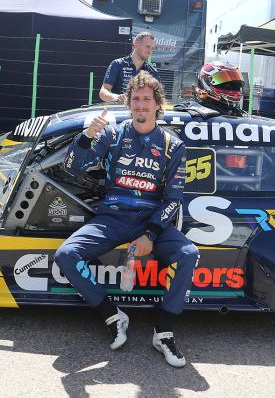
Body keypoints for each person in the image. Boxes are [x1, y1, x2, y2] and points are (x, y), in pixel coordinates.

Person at [56, 71, 198, 368]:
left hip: (150, 220)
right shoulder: (112, 134)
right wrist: (86, 137)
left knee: (188, 253)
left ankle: (163, 330)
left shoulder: (174, 146)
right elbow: (72, 169)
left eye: (147, 99)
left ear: (159, 104)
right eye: (136, 99)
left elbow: (174, 199)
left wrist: (151, 233)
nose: (141, 105)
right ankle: (113, 315)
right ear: (129, 103)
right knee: (67, 254)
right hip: (113, 218)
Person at [99, 32, 161, 103]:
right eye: (147, 46)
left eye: (152, 48)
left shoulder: (153, 72)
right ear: (136, 44)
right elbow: (103, 92)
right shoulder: (118, 64)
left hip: (142, 112)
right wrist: (116, 97)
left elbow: (158, 99)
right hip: (121, 111)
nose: (150, 51)